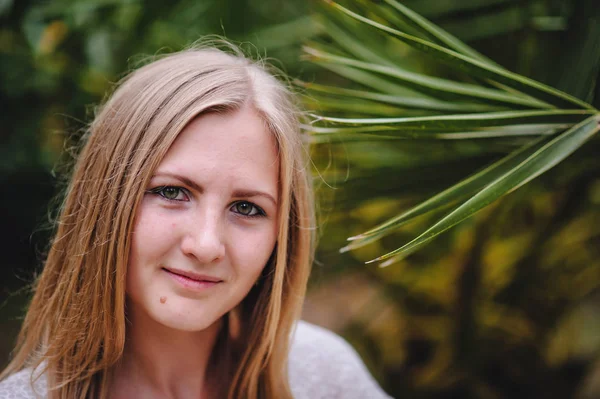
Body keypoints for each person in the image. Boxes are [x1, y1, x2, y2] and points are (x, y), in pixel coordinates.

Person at [0, 42, 391, 399]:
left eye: (247, 208)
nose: (206, 245)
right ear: (105, 203)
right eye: (172, 192)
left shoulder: (322, 375)